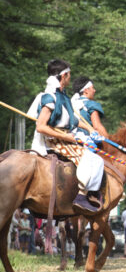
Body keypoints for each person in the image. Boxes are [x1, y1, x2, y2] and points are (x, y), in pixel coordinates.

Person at [28, 60, 106, 212]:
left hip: (65, 137)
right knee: (95, 159)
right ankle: (82, 195)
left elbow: (73, 121)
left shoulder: (62, 95)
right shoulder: (50, 97)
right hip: (55, 141)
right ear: (63, 76)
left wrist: (90, 129)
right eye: (69, 75)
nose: (70, 78)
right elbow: (41, 126)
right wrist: (70, 138)